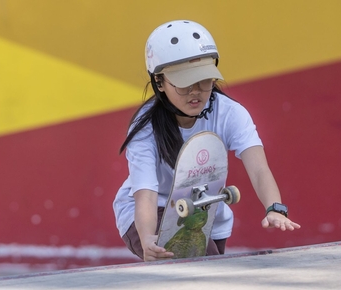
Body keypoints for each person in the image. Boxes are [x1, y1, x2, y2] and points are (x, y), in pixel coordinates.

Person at [113, 20, 300, 261]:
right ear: (159, 82)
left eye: (204, 80)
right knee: (207, 270)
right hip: (150, 213)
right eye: (184, 83)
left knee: (209, 278)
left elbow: (259, 169)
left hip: (207, 215)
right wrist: (147, 238)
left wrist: (275, 208)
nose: (196, 91)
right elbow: (146, 193)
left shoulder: (230, 113)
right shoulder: (146, 127)